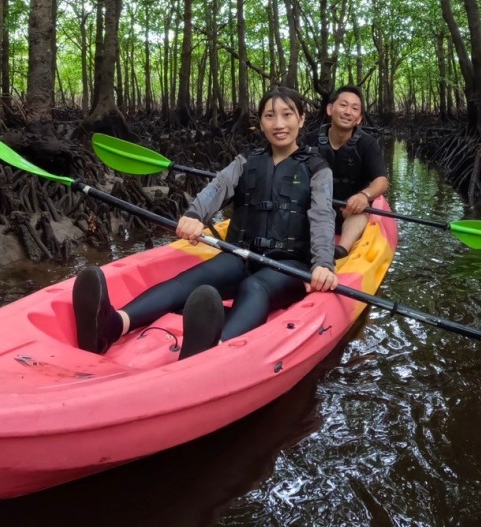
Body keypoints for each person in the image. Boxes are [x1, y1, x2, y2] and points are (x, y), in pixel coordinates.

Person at [73, 87, 337, 360]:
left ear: (302, 118)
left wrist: (323, 264)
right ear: (260, 122)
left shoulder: (317, 169)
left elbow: (322, 217)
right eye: (270, 116)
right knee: (192, 281)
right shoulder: (246, 162)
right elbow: (217, 188)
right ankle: (113, 325)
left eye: (287, 115)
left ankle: (215, 349)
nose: (279, 124)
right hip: (240, 255)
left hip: (288, 265)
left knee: (254, 287)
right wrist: (194, 215)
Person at [313, 84, 389, 259]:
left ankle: (341, 251)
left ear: (359, 118)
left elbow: (381, 181)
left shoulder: (368, 144)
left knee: (359, 214)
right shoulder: (309, 141)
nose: (348, 112)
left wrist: (364, 195)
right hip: (316, 209)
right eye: (343, 105)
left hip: (351, 211)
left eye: (355, 108)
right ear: (330, 109)